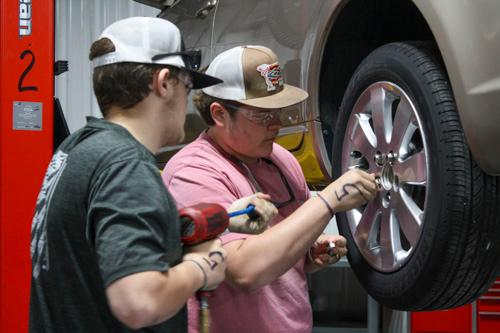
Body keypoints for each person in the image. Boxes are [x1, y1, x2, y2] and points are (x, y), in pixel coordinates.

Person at [29, 18, 275, 333]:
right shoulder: (126, 165)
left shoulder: (78, 149)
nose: (187, 100)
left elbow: (100, 241)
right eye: (187, 86)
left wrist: (222, 218)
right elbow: (138, 302)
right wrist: (201, 267)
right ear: (163, 83)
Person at [162, 45, 378, 332]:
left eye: (278, 111)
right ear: (219, 114)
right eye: (262, 116)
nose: (275, 124)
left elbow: (280, 250)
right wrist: (327, 201)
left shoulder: (281, 159)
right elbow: (244, 271)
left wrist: (309, 253)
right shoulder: (194, 173)